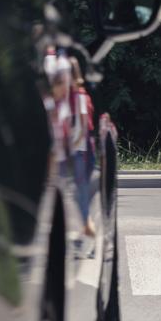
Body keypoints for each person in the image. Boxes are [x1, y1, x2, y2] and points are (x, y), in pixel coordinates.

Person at [69, 57, 96, 238]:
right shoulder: (69, 96)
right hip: (73, 151)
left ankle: (85, 234)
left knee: (80, 195)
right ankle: (83, 232)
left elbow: (84, 125)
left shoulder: (78, 97)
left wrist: (70, 144)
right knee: (76, 195)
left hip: (78, 151)